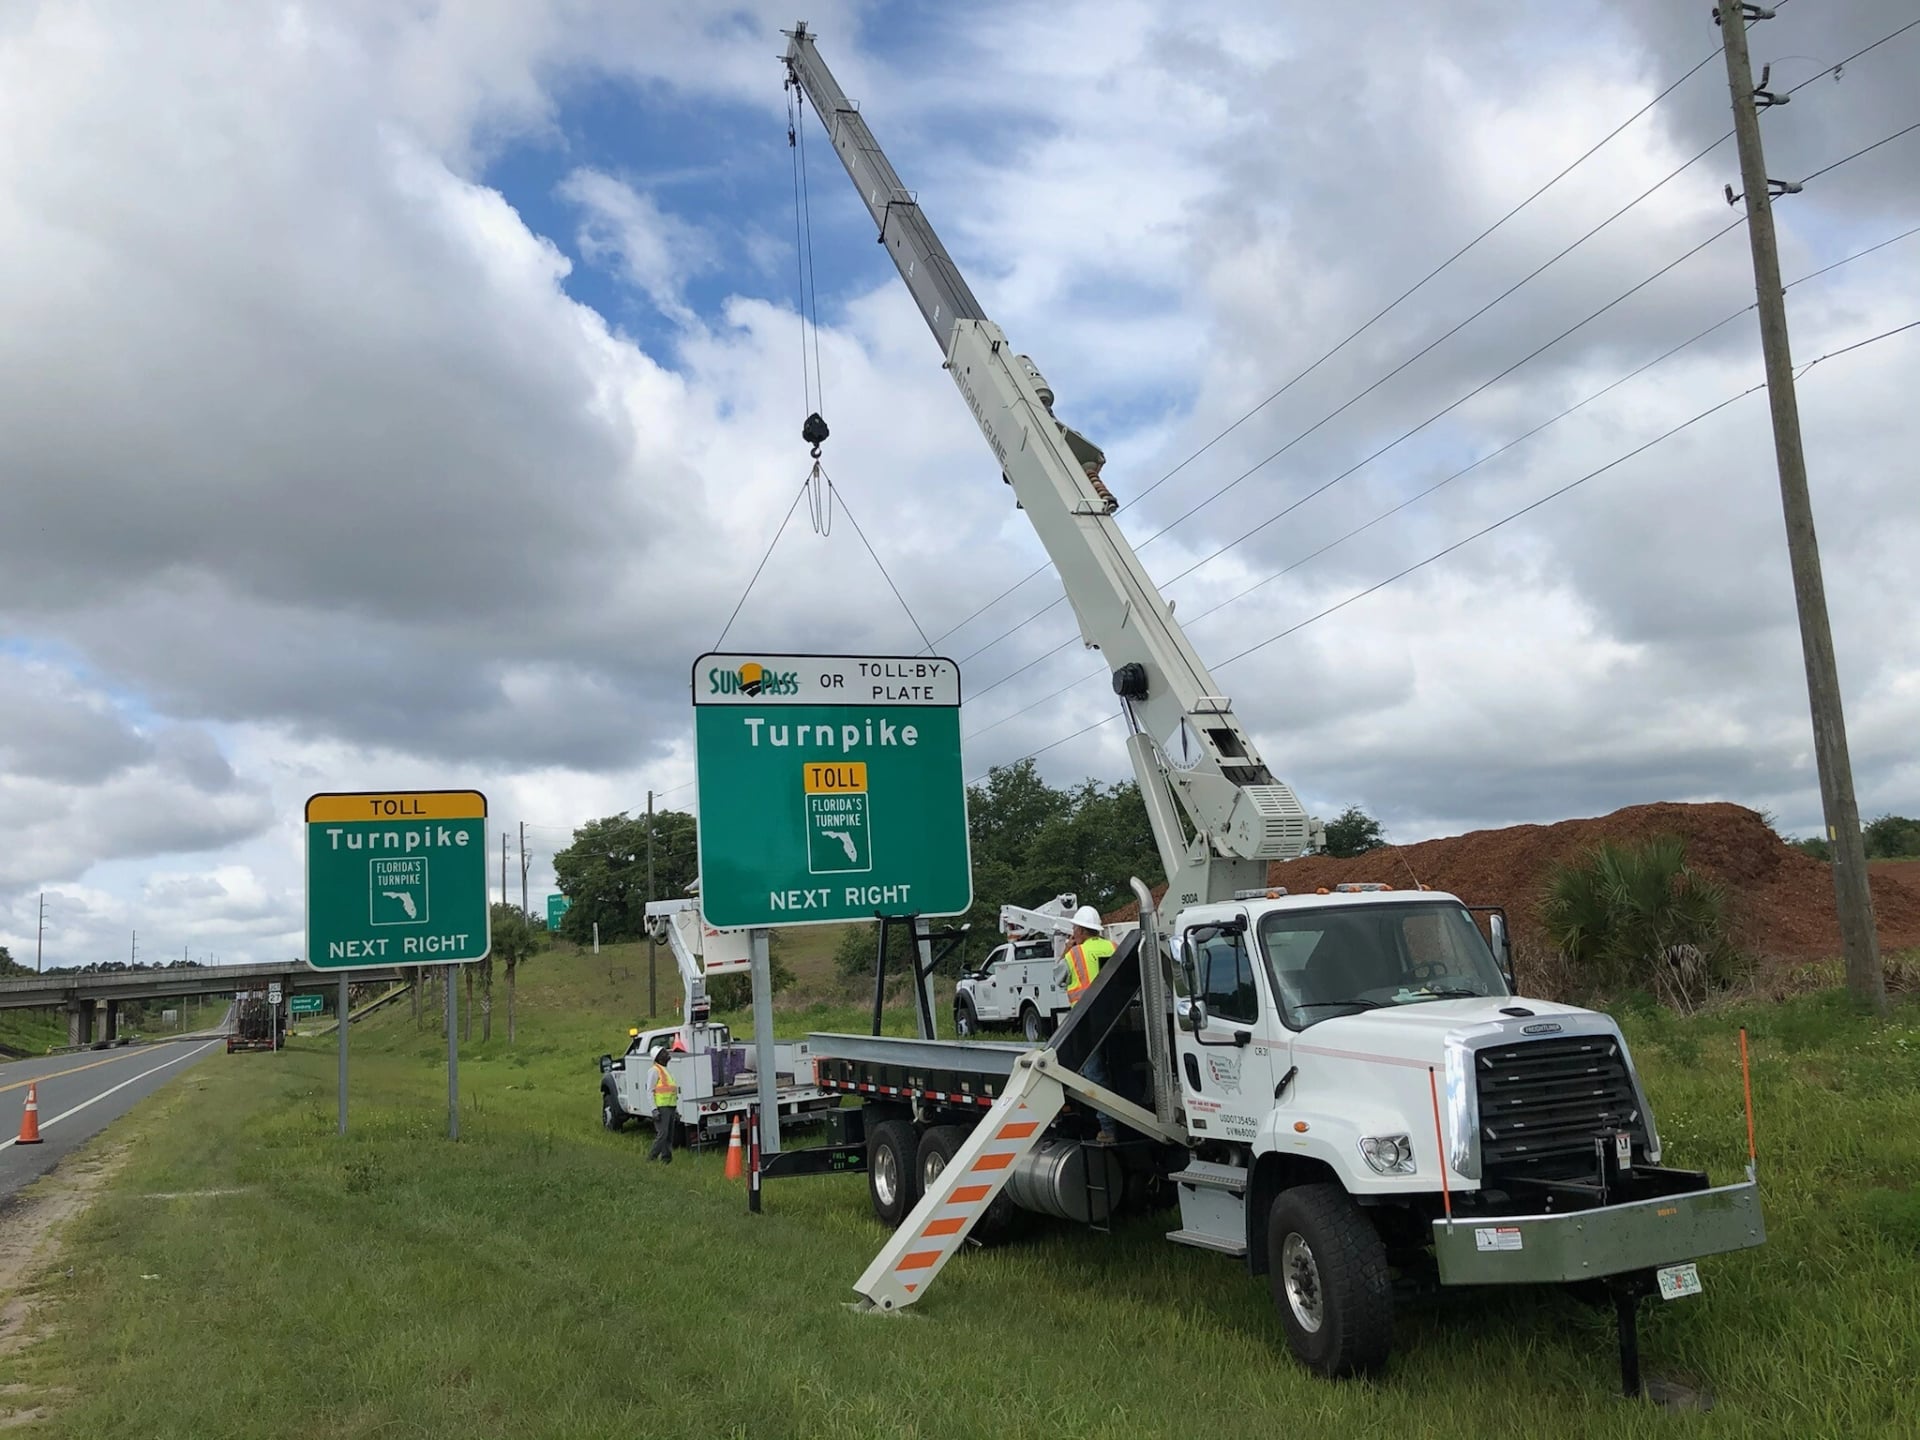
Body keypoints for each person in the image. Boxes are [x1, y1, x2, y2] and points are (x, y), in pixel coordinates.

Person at [1058, 906, 1119, 1143]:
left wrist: (1066, 950)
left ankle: (1108, 1128)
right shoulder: (1112, 947)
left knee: (1094, 1075)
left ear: (1082, 931)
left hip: (1087, 1022)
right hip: (1115, 1019)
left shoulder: (1075, 954)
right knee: (1116, 1071)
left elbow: (1057, 977)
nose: (1073, 931)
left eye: (1074, 927)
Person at [648, 1044, 680, 1164]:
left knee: (669, 1136)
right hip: (661, 1108)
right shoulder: (654, 1071)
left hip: (670, 1107)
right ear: (658, 1058)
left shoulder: (666, 1071)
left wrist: (676, 1111)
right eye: (663, 1053)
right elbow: (650, 1091)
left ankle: (666, 1160)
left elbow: (671, 1092)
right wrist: (654, 1109)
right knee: (663, 1134)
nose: (667, 1053)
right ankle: (651, 1158)